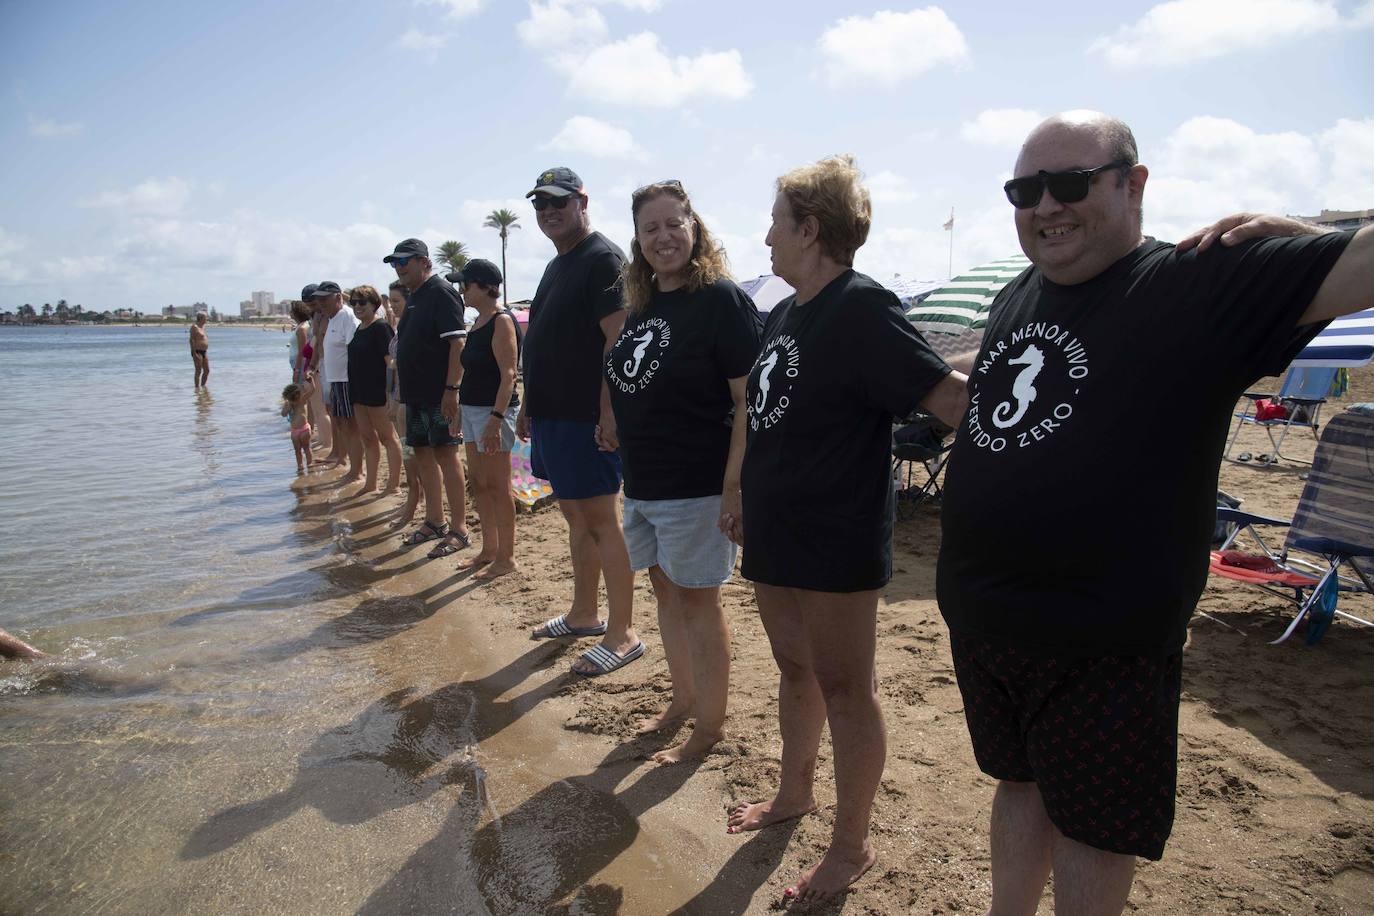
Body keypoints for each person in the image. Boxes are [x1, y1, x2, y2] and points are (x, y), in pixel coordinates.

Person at [935, 110, 1373, 916]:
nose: (1044, 206)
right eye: (1024, 190)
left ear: (1134, 184)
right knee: (1018, 784)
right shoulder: (1016, 292)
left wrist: (1312, 228)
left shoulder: (1200, 280)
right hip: (986, 621)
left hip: (1103, 641)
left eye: (1069, 184)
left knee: (1095, 831)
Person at [721, 155, 968, 906]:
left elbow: (948, 399)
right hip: (775, 526)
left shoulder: (862, 305)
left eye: (775, 222)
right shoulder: (785, 311)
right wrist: (737, 489)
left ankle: (851, 846)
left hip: (834, 533)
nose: (765, 237)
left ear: (810, 228)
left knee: (845, 687)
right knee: (795, 672)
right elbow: (762, 415)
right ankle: (794, 793)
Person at [603, 180, 761, 762]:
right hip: (643, 483)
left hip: (697, 486)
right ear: (638, 240)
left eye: (675, 223)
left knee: (699, 604)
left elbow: (750, 400)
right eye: (651, 228)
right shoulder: (646, 305)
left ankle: (708, 728)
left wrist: (733, 487)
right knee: (665, 595)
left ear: (696, 229)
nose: (663, 236)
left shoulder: (720, 300)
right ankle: (682, 700)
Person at [518, 167, 640, 678]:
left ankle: (623, 633)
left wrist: (609, 412)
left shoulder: (602, 258)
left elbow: (619, 339)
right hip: (552, 414)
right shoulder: (557, 264)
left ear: (582, 202)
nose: (549, 211)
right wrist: (528, 403)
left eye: (559, 202)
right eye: (540, 204)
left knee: (600, 521)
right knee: (576, 520)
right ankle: (584, 614)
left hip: (586, 419)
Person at [386, 238, 473, 558]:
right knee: (421, 453)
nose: (399, 268)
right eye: (395, 264)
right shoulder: (415, 297)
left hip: (439, 396)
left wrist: (451, 390)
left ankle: (460, 528)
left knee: (447, 456)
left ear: (424, 262)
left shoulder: (440, 292)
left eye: (403, 262)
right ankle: (435, 520)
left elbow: (457, 345)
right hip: (416, 397)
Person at [455, 258, 522, 581]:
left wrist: (496, 419)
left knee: (498, 485)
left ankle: (506, 557)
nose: (461, 290)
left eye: (465, 284)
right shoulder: (478, 321)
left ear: (484, 286)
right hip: (471, 411)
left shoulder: (501, 321)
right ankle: (488, 549)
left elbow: (509, 375)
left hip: (493, 412)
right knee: (479, 484)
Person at [346, 285, 402, 496]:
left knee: (388, 438)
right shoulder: (359, 328)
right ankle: (371, 483)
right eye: (353, 302)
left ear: (374, 304)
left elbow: (392, 364)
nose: (357, 306)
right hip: (359, 393)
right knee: (368, 438)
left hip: (378, 393)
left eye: (362, 302)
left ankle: (394, 485)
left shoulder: (381, 328)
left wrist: (391, 395)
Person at [312, 281, 363, 482]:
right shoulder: (331, 318)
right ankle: (347, 463)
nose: (321, 303)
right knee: (341, 424)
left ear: (338, 297)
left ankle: (356, 471)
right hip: (335, 380)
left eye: (325, 298)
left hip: (346, 380)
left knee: (351, 427)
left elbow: (355, 350)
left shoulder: (347, 317)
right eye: (319, 299)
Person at [385, 279, 424, 528]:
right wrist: (392, 399)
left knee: (415, 454)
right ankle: (414, 495)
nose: (391, 307)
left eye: (396, 302)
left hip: (412, 401)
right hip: (400, 399)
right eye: (390, 302)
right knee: (408, 452)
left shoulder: (414, 328)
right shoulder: (400, 329)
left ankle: (416, 498)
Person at [281, 371, 318, 474]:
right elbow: (283, 414)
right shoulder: (292, 403)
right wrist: (287, 406)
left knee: (304, 448)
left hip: (303, 429)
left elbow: (312, 390)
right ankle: (301, 466)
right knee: (301, 450)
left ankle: (307, 464)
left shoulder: (302, 400)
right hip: (297, 431)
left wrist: (312, 381)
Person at [189, 313, 209, 387]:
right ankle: (197, 389)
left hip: (204, 351)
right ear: (201, 318)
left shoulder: (203, 327)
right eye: (205, 317)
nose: (207, 319)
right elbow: (191, 340)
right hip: (197, 351)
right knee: (198, 371)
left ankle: (203, 388)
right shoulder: (194, 327)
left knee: (207, 371)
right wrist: (194, 353)